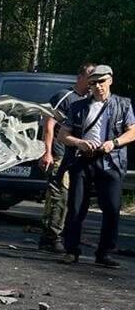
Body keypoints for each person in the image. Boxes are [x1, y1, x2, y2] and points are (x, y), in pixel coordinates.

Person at [58, 64, 135, 267]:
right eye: (93, 83)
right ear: (89, 85)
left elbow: (133, 132)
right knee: (76, 208)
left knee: (111, 208)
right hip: (83, 159)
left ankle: (105, 253)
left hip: (111, 161)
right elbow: (62, 135)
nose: (98, 86)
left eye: (102, 81)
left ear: (110, 80)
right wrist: (79, 142)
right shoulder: (78, 107)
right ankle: (71, 250)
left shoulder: (123, 104)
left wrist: (114, 143)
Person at [38, 63, 94, 251]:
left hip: (78, 156)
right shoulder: (64, 97)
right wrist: (47, 152)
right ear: (80, 77)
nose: (93, 81)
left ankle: (65, 234)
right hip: (59, 153)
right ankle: (51, 237)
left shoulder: (90, 100)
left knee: (74, 196)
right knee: (58, 195)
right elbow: (49, 125)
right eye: (90, 76)